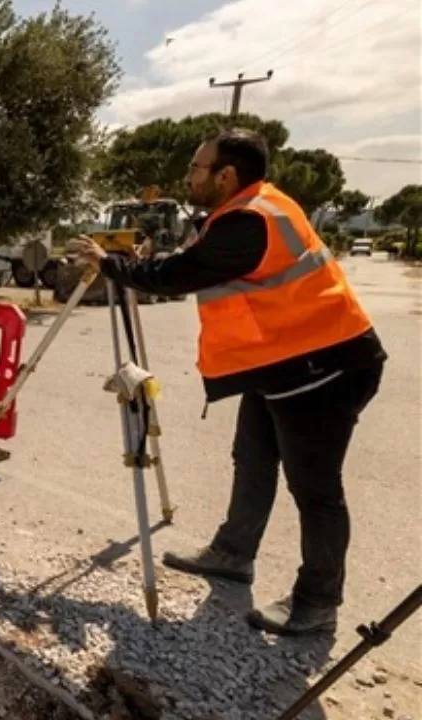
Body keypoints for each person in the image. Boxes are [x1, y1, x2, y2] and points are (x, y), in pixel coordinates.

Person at [70, 127, 388, 637]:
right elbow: (197, 260)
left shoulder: (249, 221)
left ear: (227, 175)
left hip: (322, 368)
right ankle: (234, 552)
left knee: (316, 490)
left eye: (197, 168)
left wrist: (111, 264)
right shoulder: (251, 208)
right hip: (282, 363)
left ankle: (318, 601)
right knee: (253, 459)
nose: (189, 175)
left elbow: (177, 275)